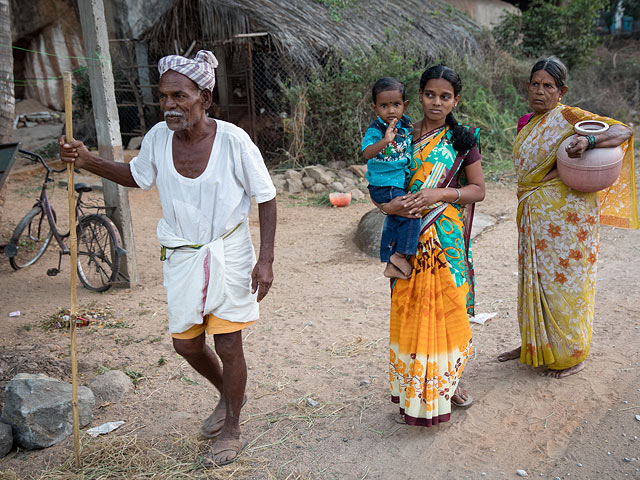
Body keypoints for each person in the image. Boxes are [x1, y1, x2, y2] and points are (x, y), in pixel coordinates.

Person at [59, 50, 277, 466]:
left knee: (229, 344)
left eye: (180, 96)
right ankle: (231, 392)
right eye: (164, 96)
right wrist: (87, 160)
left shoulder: (233, 141)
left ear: (205, 99)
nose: (169, 105)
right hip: (182, 255)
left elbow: (265, 198)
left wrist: (264, 261)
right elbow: (137, 176)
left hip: (228, 252)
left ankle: (232, 426)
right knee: (185, 345)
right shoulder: (159, 137)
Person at [498, 56, 637, 378]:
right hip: (534, 213)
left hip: (570, 219)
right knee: (533, 281)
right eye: (535, 84)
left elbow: (624, 130)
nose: (540, 91)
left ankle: (572, 354)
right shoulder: (525, 122)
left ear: (562, 91)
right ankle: (533, 343)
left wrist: (589, 140)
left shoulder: (570, 117)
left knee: (567, 287)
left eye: (548, 86)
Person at [376, 65, 485, 426]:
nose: (436, 103)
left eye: (445, 97)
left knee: (449, 310)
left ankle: (449, 382)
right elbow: (381, 179)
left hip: (445, 237)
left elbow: (478, 190)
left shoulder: (463, 139)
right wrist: (384, 205)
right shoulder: (399, 134)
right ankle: (413, 388)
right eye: (429, 95)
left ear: (456, 100)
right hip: (407, 237)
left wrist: (440, 193)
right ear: (418, 96)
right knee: (410, 312)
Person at [362, 77, 419, 280]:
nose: (391, 111)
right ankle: (399, 256)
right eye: (384, 106)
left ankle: (390, 260)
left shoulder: (406, 126)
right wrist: (385, 140)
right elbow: (367, 153)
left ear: (405, 105)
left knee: (398, 216)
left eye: (396, 105)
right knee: (412, 214)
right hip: (385, 185)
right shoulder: (375, 130)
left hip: (398, 183)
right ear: (375, 108)